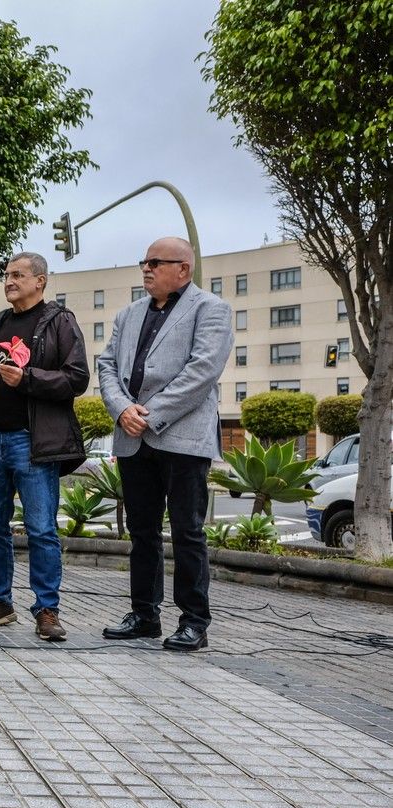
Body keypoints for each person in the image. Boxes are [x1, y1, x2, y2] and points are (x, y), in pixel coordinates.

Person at [98, 237, 232, 651]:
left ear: (184, 270)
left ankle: (194, 621)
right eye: (144, 262)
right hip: (132, 438)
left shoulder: (211, 309)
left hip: (182, 438)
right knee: (142, 531)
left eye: (156, 262)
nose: (146, 269)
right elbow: (106, 366)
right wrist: (122, 410)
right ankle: (144, 615)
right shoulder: (127, 314)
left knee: (188, 532)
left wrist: (149, 414)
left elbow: (202, 372)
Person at [0, 252, 89, 641]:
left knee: (40, 529)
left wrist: (28, 378)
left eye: (18, 275)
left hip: (33, 442)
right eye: (6, 275)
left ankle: (47, 610)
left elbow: (77, 378)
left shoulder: (60, 321)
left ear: (41, 281)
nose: (9, 281)